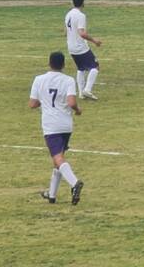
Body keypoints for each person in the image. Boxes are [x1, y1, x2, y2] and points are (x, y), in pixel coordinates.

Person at [29, 51, 84, 205]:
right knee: (58, 159)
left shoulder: (39, 80)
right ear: (64, 65)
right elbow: (72, 102)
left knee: (57, 158)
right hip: (66, 124)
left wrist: (43, 100)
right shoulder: (68, 80)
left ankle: (74, 183)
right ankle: (51, 195)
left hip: (51, 125)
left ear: (49, 63)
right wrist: (78, 110)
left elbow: (32, 104)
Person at [65, 0, 102, 100]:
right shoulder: (81, 16)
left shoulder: (68, 14)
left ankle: (81, 93)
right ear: (83, 3)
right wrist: (94, 40)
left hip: (71, 47)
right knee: (95, 66)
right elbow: (82, 33)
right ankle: (87, 90)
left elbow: (65, 31)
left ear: (72, 2)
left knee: (81, 68)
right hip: (80, 47)